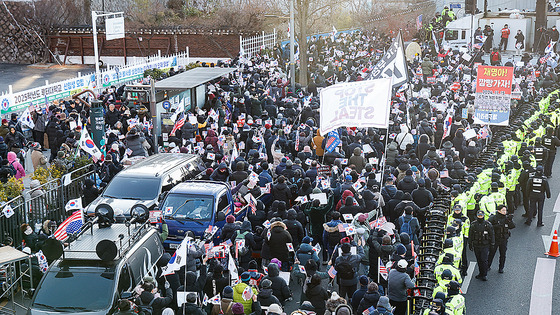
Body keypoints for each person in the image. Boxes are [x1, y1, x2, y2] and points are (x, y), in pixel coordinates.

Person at [488, 205, 515, 273]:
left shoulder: (506, 218)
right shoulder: (493, 218)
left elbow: (512, 226)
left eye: (505, 210)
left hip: (503, 239)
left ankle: (501, 268)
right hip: (495, 239)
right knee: (491, 253)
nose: (505, 212)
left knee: (503, 254)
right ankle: (488, 266)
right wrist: (497, 226)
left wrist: (510, 220)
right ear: (499, 211)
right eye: (503, 210)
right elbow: (488, 227)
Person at [469, 210, 494, 281]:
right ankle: (481, 273)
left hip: (485, 245)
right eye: (479, 215)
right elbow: (470, 234)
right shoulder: (473, 224)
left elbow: (492, 234)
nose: (480, 217)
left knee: (484, 260)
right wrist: (470, 243)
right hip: (476, 245)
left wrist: (492, 243)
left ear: (483, 216)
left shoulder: (487, 224)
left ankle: (484, 274)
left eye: (481, 216)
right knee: (479, 260)